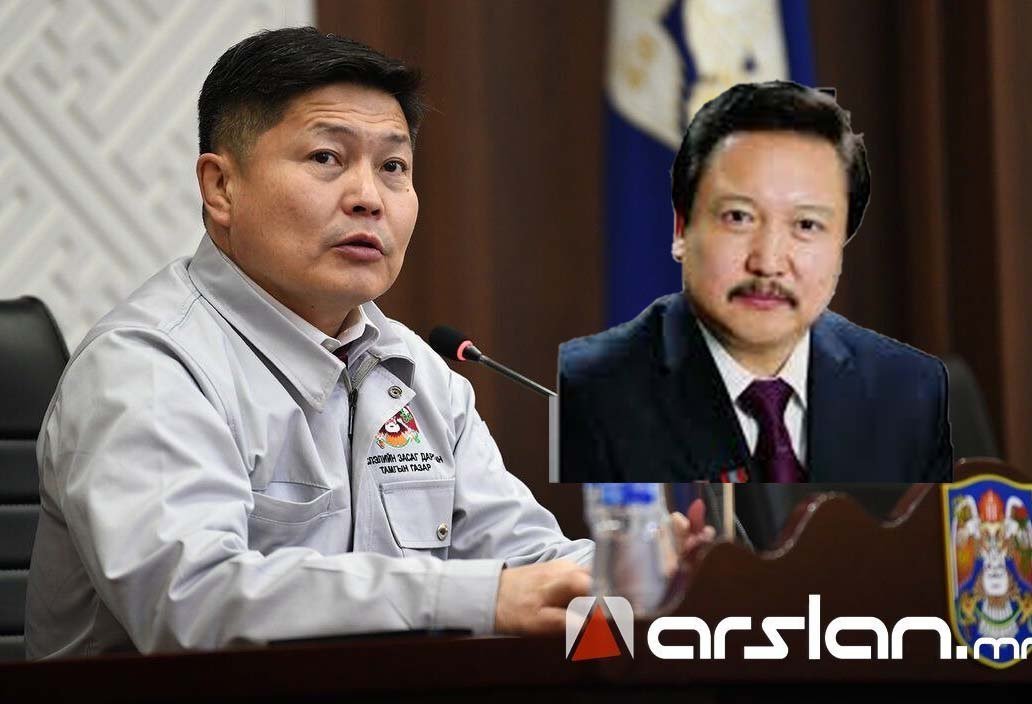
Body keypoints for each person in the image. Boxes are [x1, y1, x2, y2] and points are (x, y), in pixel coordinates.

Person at [24, 27, 711, 658]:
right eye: (327, 157)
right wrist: (478, 597)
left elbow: (526, 563)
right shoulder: (147, 368)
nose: (369, 197)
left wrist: (647, 579)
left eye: (393, 167)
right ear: (221, 186)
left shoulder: (414, 372)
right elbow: (192, 603)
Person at [559, 81, 952, 484]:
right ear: (681, 229)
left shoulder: (911, 390)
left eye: (806, 225)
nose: (767, 263)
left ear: (841, 244)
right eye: (739, 217)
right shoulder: (583, 392)